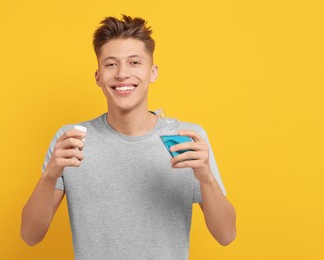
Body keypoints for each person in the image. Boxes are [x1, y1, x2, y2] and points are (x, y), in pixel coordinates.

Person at [21, 15, 236, 259]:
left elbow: (226, 235)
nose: (122, 74)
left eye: (134, 62)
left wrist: (206, 178)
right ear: (98, 76)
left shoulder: (186, 139)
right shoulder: (71, 141)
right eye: (111, 64)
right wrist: (50, 174)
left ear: (152, 72)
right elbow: (30, 235)